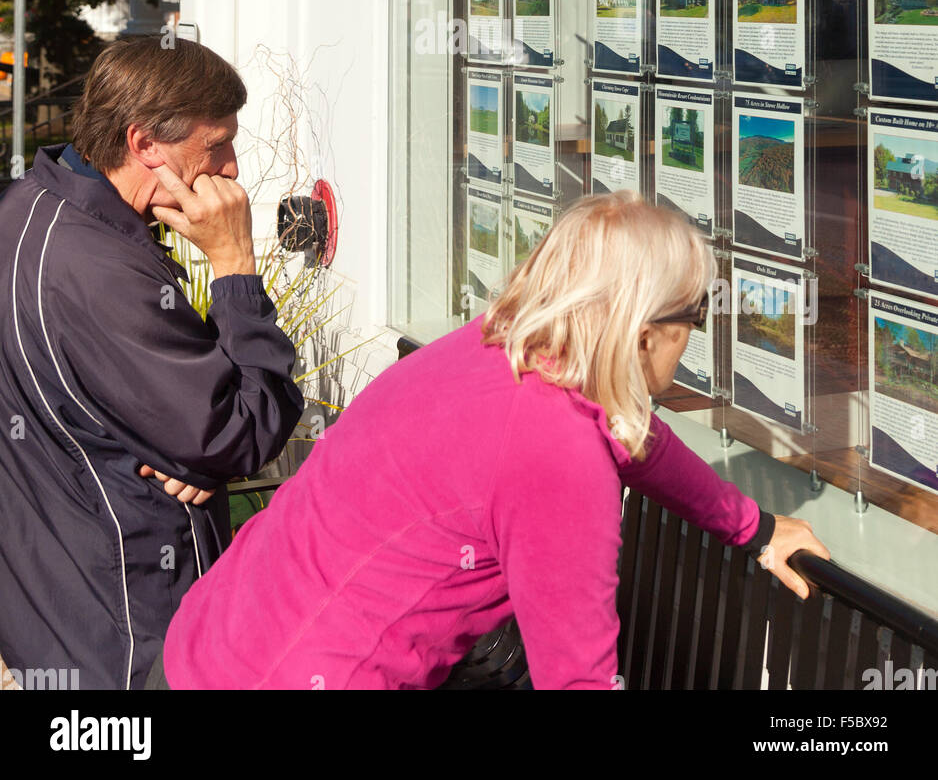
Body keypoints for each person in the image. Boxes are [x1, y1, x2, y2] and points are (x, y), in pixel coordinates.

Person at [159, 191, 828, 690]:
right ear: (645, 331)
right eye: (696, 316)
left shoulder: (498, 346)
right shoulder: (557, 456)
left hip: (217, 636)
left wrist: (756, 528)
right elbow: (577, 679)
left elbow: (629, 432)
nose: (694, 337)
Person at [0, 36, 304, 690]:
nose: (231, 167)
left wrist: (181, 448)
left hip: (57, 612)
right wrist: (235, 267)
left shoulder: (30, 205)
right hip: (135, 633)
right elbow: (241, 434)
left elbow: (168, 419)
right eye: (216, 143)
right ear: (146, 146)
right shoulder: (99, 272)